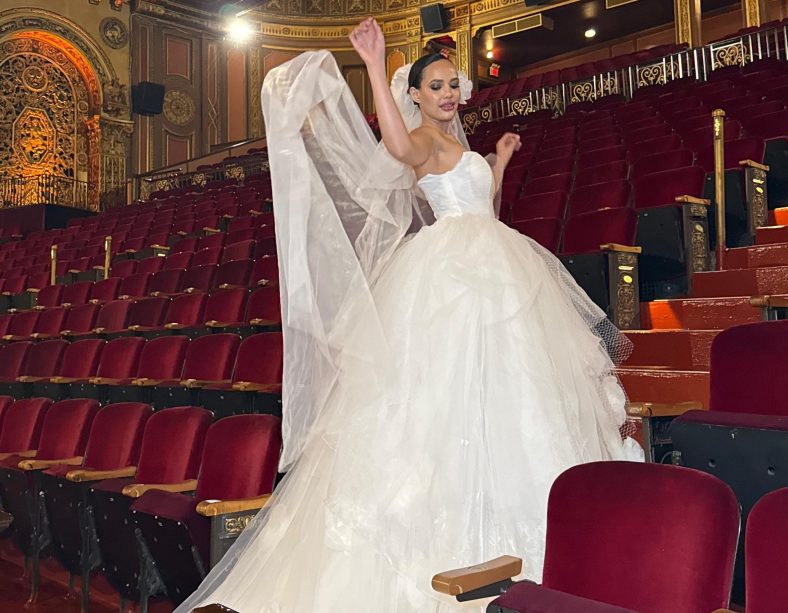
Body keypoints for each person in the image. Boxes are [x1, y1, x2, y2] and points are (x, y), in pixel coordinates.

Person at [174, 17, 642, 613]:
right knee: (441, 402)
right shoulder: (419, 139)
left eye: (453, 84)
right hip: (450, 274)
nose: (448, 93)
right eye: (436, 85)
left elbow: (483, 206)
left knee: (510, 394)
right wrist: (372, 63)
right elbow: (396, 148)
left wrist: (495, 163)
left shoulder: (460, 145)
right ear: (415, 94)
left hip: (496, 262)